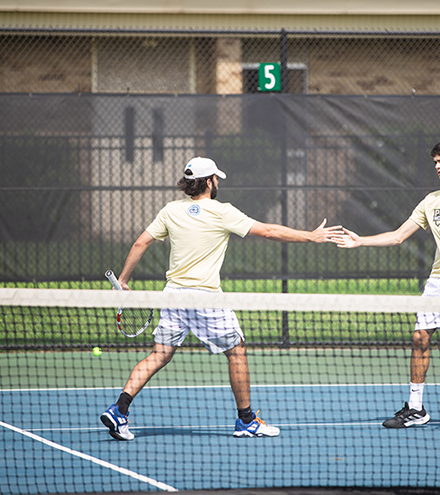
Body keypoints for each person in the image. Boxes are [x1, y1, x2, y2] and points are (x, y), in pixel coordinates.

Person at [100, 156, 342, 441]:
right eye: (216, 179)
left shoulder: (170, 211)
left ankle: (120, 409)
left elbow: (141, 242)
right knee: (237, 350)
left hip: (174, 296)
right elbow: (268, 231)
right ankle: (247, 421)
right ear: (208, 182)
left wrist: (124, 280)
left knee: (159, 355)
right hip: (205, 298)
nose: (218, 183)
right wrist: (311, 236)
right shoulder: (222, 211)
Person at [332, 139, 440, 431]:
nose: (437, 166)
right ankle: (415, 408)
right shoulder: (431, 201)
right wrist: (360, 240)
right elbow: (399, 235)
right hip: (437, 280)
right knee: (419, 338)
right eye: (435, 162)